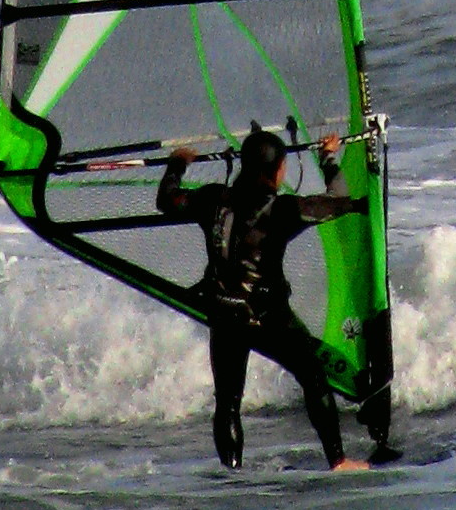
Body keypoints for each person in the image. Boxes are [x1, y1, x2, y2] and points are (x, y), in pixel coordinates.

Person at [158, 124, 374, 472]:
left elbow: (167, 200)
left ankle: (232, 471)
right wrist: (327, 158)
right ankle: (338, 460)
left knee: (227, 403)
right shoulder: (283, 209)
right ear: (277, 170)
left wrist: (177, 164)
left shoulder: (212, 198)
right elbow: (339, 202)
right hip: (265, 314)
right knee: (313, 375)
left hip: (221, 311)